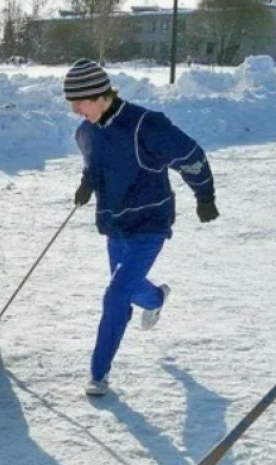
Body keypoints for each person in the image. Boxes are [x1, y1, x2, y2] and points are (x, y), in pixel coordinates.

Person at [63, 59, 217, 396]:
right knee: (127, 290)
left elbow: (190, 155)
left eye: (79, 102)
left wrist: (205, 195)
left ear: (100, 95)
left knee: (116, 294)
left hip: (150, 223)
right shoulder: (86, 132)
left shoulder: (145, 125)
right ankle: (156, 297)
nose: (74, 110)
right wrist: (87, 184)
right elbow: (94, 164)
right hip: (115, 225)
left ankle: (98, 374)